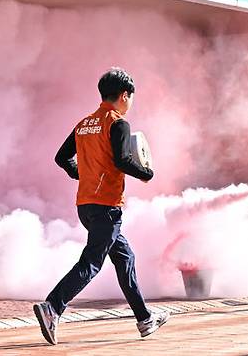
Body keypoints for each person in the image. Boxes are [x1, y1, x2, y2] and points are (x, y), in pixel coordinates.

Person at [33, 68, 168, 345]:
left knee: (125, 258)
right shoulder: (118, 123)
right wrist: (146, 173)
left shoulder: (84, 124)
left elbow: (62, 158)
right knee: (92, 262)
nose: (130, 103)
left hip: (86, 205)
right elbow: (121, 161)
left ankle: (144, 319)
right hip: (107, 206)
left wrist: (82, 174)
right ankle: (52, 307)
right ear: (124, 95)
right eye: (130, 98)